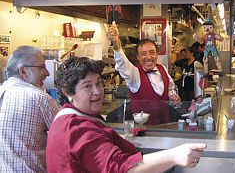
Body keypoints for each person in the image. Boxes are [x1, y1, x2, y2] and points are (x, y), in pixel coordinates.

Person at [46, 56, 207, 173]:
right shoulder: (76, 127)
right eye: (87, 86)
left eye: (99, 83)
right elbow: (121, 169)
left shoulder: (74, 115)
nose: (97, 92)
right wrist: (174, 156)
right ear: (68, 92)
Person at [107, 21, 180, 125]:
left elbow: (170, 90)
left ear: (157, 54)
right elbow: (123, 65)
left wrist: (173, 97)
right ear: (138, 57)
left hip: (165, 126)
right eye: (143, 54)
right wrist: (116, 45)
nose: (149, 57)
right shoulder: (134, 74)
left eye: (152, 53)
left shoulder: (162, 68)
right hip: (143, 130)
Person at [0, 45, 59, 172]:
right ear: (23, 71)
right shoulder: (40, 98)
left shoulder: (2, 91)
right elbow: (66, 138)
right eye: (42, 67)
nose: (47, 73)